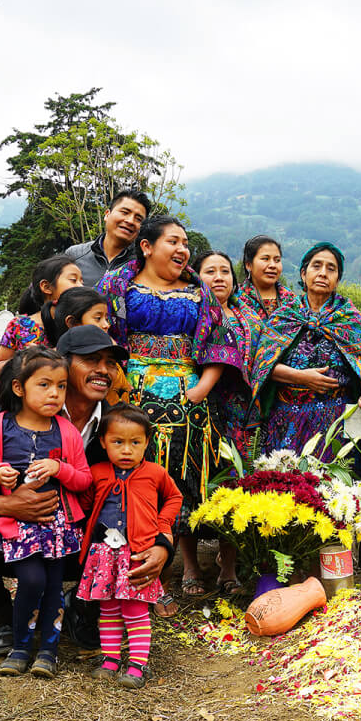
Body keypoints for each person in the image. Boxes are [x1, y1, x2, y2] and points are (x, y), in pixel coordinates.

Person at [0, 326, 167, 654]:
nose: (103, 371)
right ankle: (1, 620)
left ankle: (85, 608)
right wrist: (6, 506)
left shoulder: (120, 428)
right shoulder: (12, 420)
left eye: (110, 363)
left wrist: (164, 544)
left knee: (134, 536)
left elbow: (155, 492)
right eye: (92, 360)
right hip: (19, 536)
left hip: (88, 542)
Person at [100, 217, 242, 607]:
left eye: (185, 243)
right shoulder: (117, 286)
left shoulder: (200, 291)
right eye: (173, 242)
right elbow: (102, 337)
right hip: (129, 403)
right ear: (147, 247)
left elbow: (220, 344)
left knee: (180, 485)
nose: (182, 250)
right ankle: (131, 581)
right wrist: (117, 390)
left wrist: (201, 389)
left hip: (189, 407)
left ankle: (171, 570)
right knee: (131, 486)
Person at [0, 347, 93, 677]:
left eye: (62, 386)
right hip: (18, 526)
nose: (55, 393)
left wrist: (60, 468)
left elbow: (83, 479)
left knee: (51, 585)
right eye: (45, 385)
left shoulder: (66, 432)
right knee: (31, 578)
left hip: (58, 526)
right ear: (19, 388)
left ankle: (48, 652)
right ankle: (21, 646)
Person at [76, 404, 181, 689]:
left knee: (135, 609)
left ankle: (137, 664)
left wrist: (162, 528)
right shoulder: (96, 473)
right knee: (108, 609)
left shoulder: (156, 473)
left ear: (147, 442)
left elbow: (174, 498)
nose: (126, 450)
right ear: (103, 442)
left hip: (137, 554)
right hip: (103, 555)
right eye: (117, 442)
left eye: (135, 442)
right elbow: (84, 505)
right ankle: (110, 660)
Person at [251, 242, 361, 459]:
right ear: (303, 274)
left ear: (338, 279)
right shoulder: (285, 315)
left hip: (336, 421)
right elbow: (262, 366)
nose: (323, 273)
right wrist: (301, 377)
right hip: (286, 419)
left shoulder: (349, 317)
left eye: (331, 269)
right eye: (316, 266)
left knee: (331, 486)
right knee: (286, 485)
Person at [188, 249, 265, 592]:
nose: (219, 277)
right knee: (190, 484)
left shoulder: (248, 318)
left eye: (225, 271)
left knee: (233, 485)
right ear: (196, 276)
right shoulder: (189, 311)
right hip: (196, 408)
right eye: (210, 271)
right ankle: (190, 567)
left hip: (239, 415)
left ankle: (228, 566)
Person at [0, 255, 83, 378]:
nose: (81, 286)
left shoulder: (83, 324)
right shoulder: (20, 326)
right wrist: (25, 361)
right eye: (73, 280)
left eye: (82, 281)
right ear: (46, 287)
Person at [52, 287, 130, 405]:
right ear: (72, 323)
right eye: (98, 318)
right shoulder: (48, 365)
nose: (106, 325)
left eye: (110, 363)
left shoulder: (116, 373)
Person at [65, 188, 151, 289]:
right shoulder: (75, 255)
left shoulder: (145, 264)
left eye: (138, 219)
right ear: (107, 214)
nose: (130, 221)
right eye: (125, 212)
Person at [235, 235, 296, 321]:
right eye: (265, 259)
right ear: (248, 265)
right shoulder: (236, 299)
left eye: (277, 260)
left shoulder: (291, 300)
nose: (273, 265)